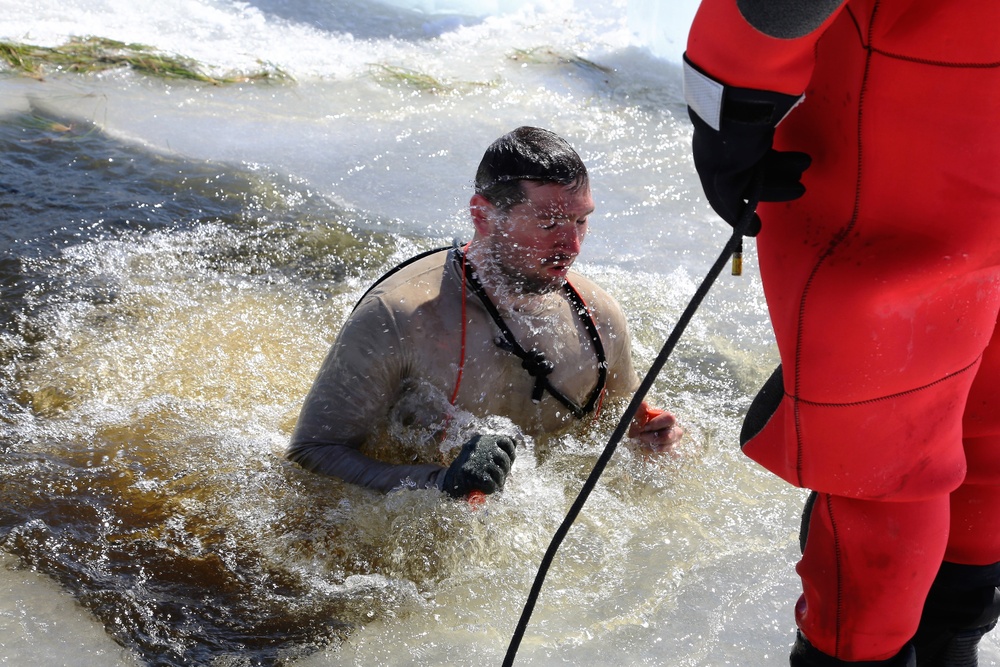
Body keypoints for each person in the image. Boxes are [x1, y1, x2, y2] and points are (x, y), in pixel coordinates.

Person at [682, 2, 1000, 666]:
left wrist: (729, 109)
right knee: (988, 427)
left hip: (907, 158)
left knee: (886, 466)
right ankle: (954, 641)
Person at [286, 126, 683, 498]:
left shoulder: (599, 317)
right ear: (483, 216)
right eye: (548, 224)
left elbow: (626, 427)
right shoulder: (398, 318)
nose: (572, 245)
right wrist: (438, 482)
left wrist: (654, 440)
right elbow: (312, 452)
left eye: (581, 221)